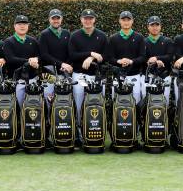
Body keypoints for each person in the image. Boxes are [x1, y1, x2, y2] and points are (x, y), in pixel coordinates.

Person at [68, 9, 108, 141]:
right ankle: (79, 131)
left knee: (98, 103)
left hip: (96, 76)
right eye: (85, 18)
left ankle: (97, 130)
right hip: (79, 75)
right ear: (81, 19)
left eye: (90, 18)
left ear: (94, 20)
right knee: (79, 102)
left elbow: (105, 56)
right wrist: (90, 54)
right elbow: (72, 56)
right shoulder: (75, 36)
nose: (88, 20)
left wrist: (92, 59)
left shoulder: (102, 36)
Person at [107, 11, 146, 105]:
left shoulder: (139, 37)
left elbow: (143, 57)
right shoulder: (113, 38)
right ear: (119, 21)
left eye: (128, 20)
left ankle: (135, 120)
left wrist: (131, 61)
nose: (126, 22)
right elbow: (109, 58)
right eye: (123, 20)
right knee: (116, 103)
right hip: (117, 76)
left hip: (134, 76)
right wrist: (119, 61)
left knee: (135, 103)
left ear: (132, 21)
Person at [2, 15, 40, 107]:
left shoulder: (33, 41)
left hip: (32, 80)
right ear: (14, 26)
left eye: (24, 24)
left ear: (28, 26)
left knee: (32, 108)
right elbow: (10, 59)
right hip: (16, 81)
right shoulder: (8, 42)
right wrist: (29, 61)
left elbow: (39, 56)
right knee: (17, 107)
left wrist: (37, 61)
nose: (22, 26)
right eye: (19, 24)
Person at [39, 9, 72, 104]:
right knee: (48, 98)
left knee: (65, 98)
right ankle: (49, 118)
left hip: (64, 72)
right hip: (49, 73)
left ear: (61, 19)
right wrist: (62, 64)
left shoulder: (67, 33)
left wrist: (66, 65)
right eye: (53, 18)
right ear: (49, 19)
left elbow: (70, 52)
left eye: (58, 18)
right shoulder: (44, 34)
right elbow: (44, 55)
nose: (56, 20)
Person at [143, 15, 174, 104]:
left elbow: (170, 56)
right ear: (148, 27)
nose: (155, 27)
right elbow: (142, 58)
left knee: (165, 102)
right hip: (149, 77)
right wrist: (152, 61)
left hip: (165, 76)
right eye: (152, 25)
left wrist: (157, 58)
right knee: (148, 102)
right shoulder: (144, 42)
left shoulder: (167, 41)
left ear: (160, 26)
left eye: (157, 25)